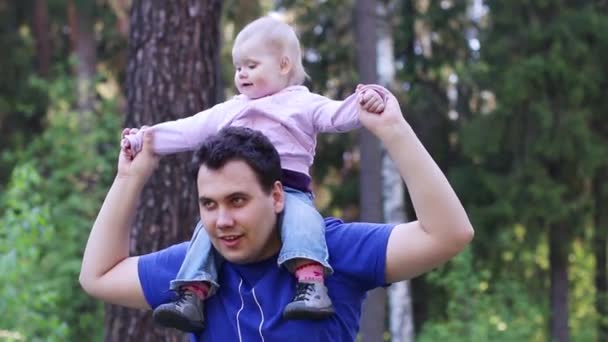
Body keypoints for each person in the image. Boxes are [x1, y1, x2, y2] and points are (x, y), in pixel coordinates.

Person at [79, 91, 474, 341]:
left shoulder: (331, 249)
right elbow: (98, 276)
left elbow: (448, 234)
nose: (222, 221)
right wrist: (129, 178)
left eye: (238, 200)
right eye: (209, 204)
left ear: (277, 195)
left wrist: (393, 131)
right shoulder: (194, 270)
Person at [120, 16, 389, 331]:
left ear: (284, 65)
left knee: (304, 223)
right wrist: (144, 139)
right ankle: (191, 294)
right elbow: (187, 130)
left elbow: (335, 116)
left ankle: (311, 285)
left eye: (251, 65)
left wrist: (365, 103)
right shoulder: (230, 110)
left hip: (290, 191)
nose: (241, 74)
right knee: (204, 234)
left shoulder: (301, 103)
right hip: (243, 195)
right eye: (237, 68)